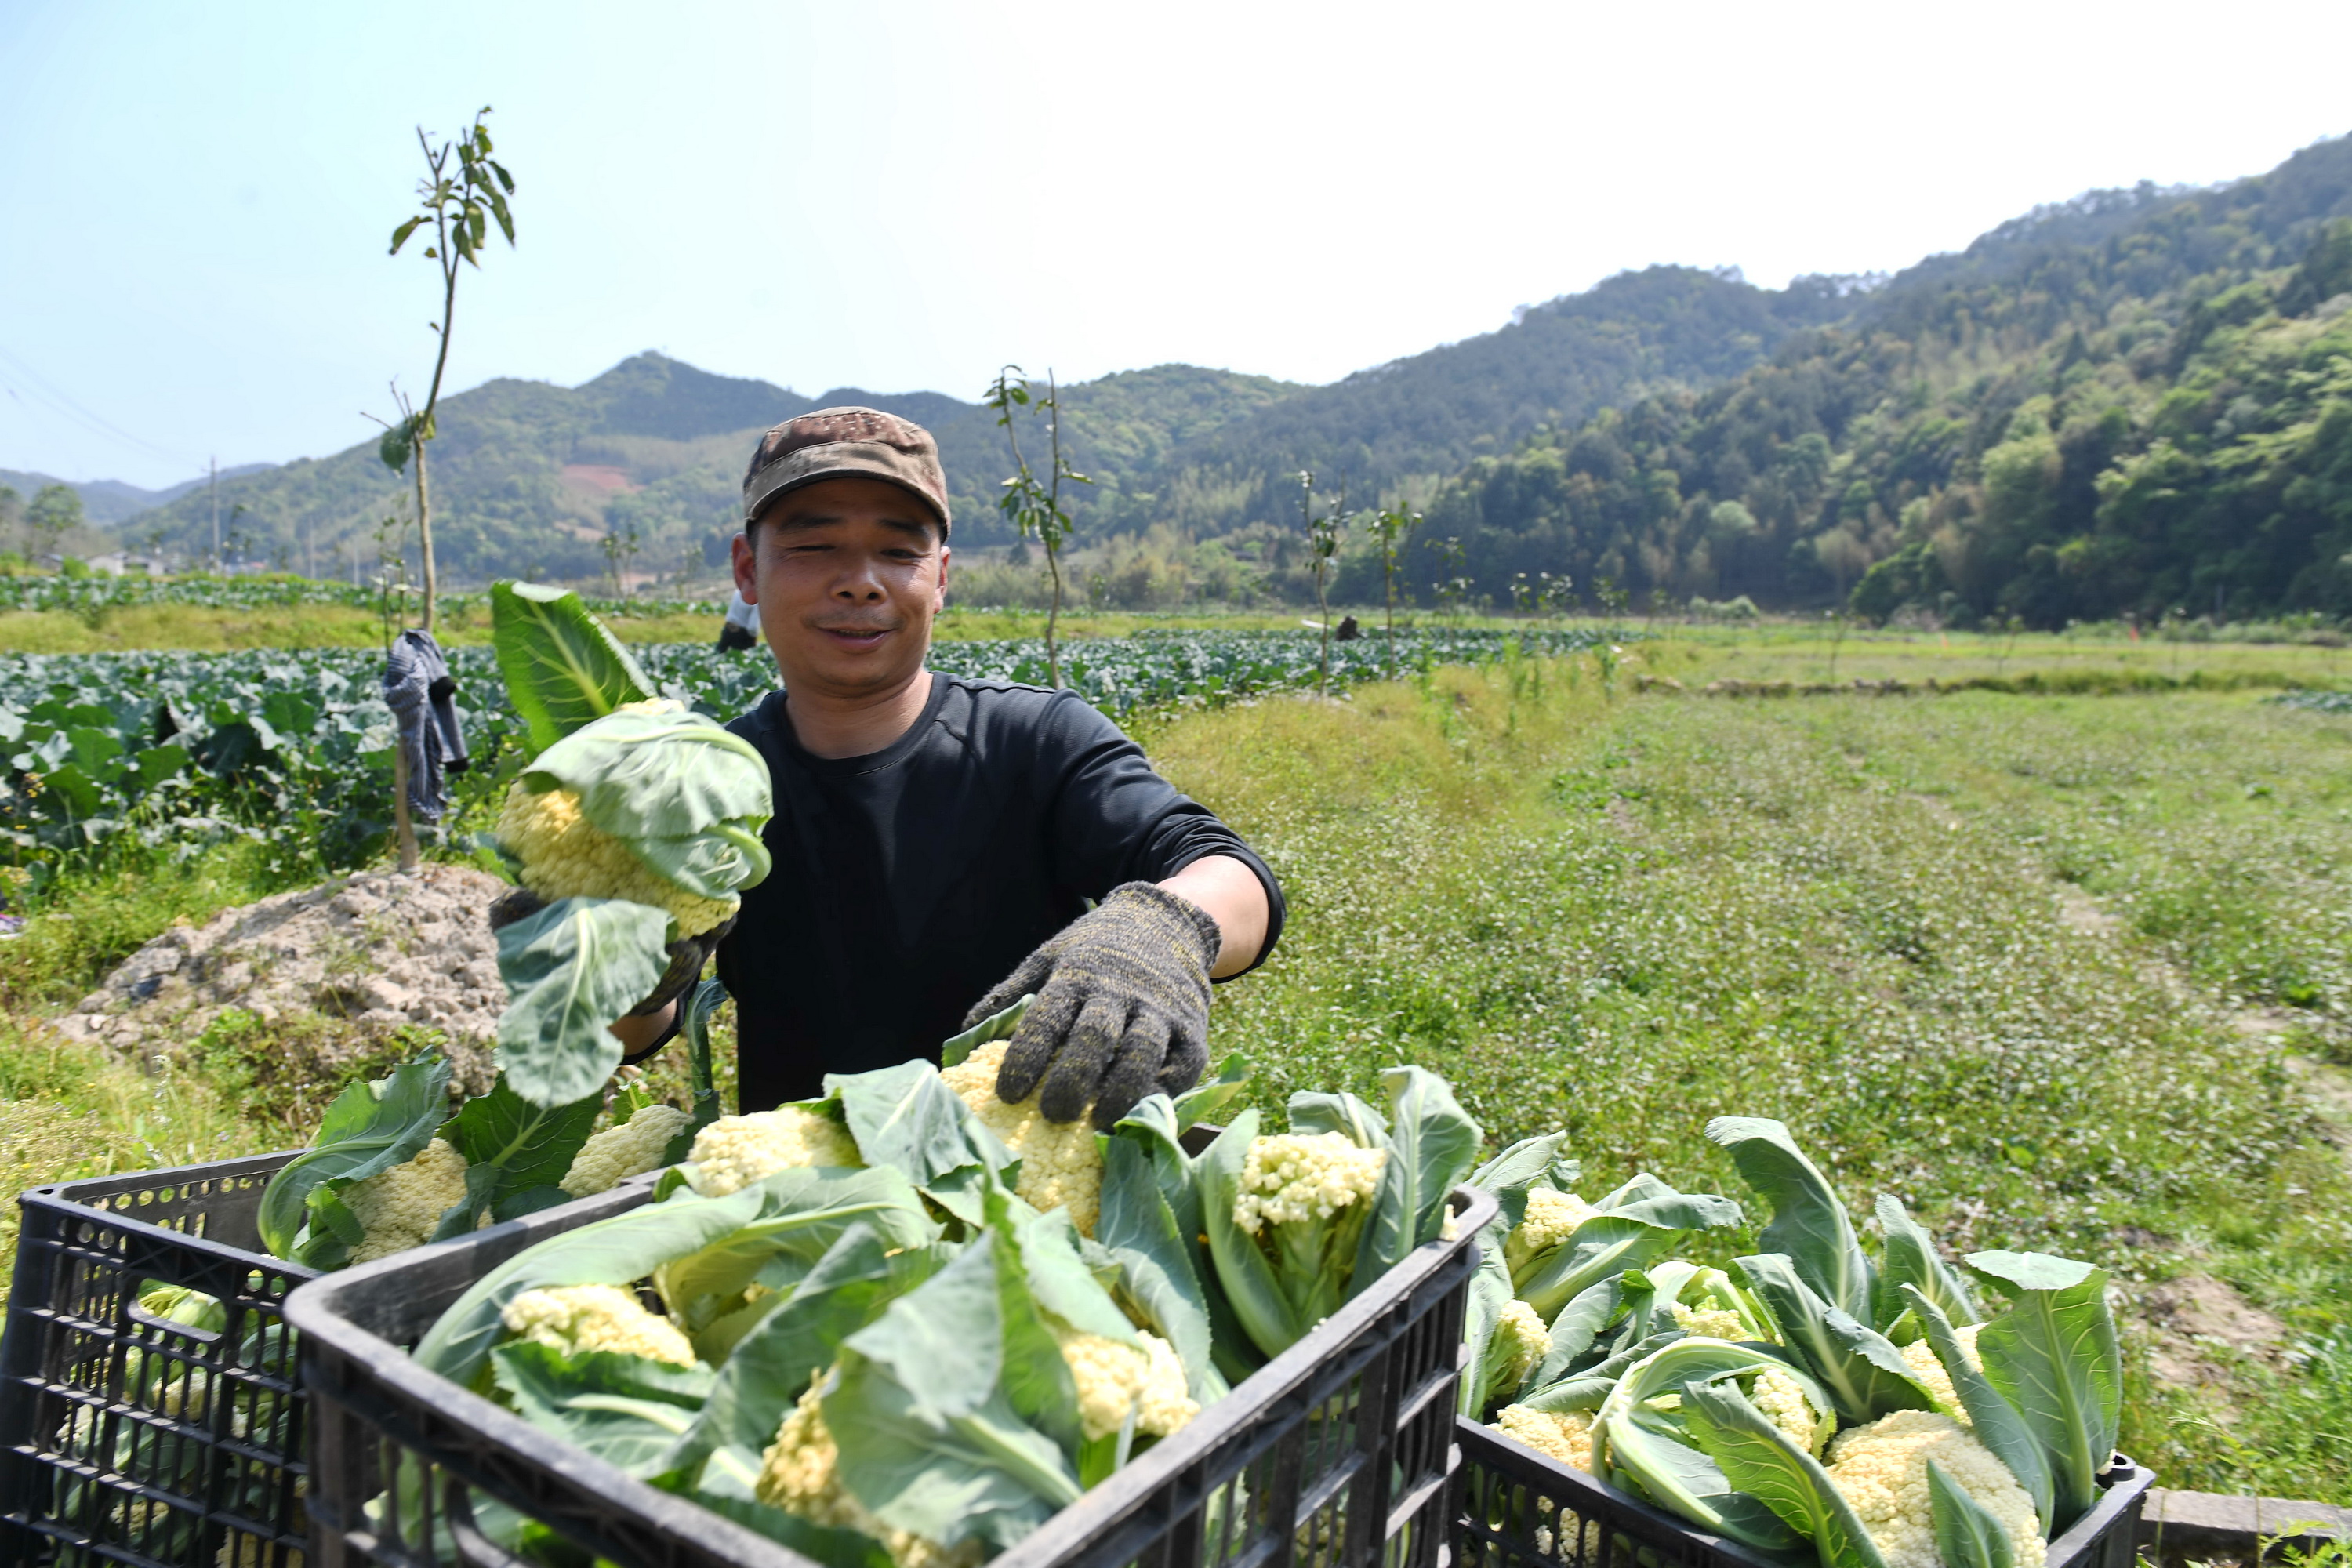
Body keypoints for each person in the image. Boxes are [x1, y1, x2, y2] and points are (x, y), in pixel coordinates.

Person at [613, 408, 1281, 1129]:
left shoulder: (1036, 741)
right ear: (748, 569)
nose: (860, 582)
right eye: (814, 547)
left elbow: (1231, 873)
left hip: (1027, 1196)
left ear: (940, 580)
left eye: (899, 554)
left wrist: (1159, 932)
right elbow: (638, 1034)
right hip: (801, 1208)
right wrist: (620, 969)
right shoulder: (711, 788)